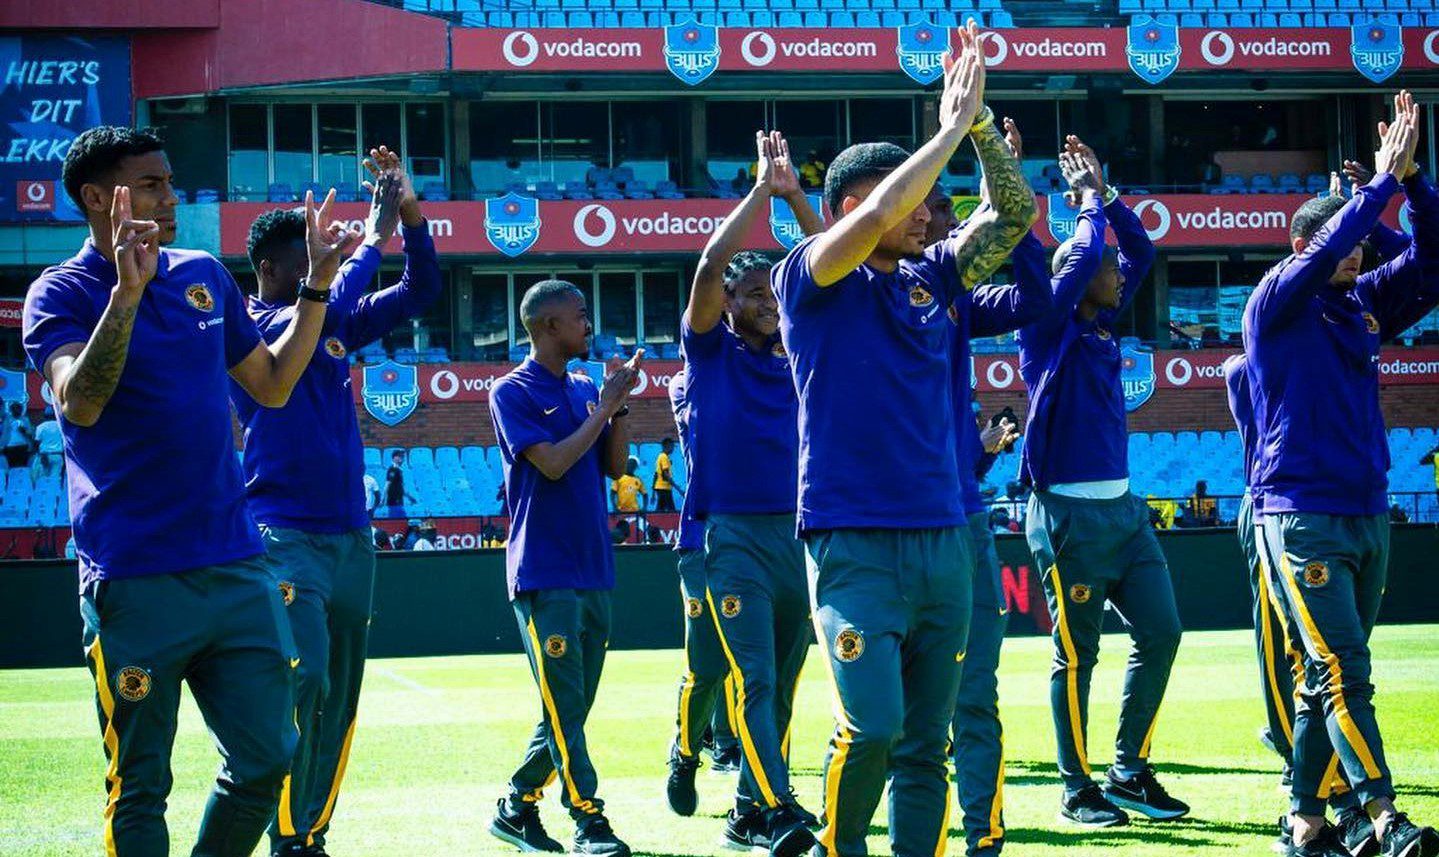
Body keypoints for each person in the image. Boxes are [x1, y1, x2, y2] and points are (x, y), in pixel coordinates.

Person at [23, 125, 356, 856]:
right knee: (140, 785)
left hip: (235, 565)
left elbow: (272, 384)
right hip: (135, 575)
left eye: (170, 182)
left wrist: (316, 287)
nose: (171, 198)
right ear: (96, 198)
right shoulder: (60, 292)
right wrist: (127, 293)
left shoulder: (202, 271)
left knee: (269, 755)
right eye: (151, 184)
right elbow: (80, 403)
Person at [772, 26, 1036, 857]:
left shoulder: (935, 277)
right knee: (874, 724)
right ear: (847, 209)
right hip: (852, 540)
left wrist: (979, 124)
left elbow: (1014, 214)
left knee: (927, 743)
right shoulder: (806, 277)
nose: (927, 211)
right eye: (914, 198)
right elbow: (888, 209)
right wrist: (947, 130)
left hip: (943, 539)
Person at [1243, 92, 1439, 857]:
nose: (1355, 254)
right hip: (1299, 513)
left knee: (1319, 680)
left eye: (1358, 243)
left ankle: (1305, 822)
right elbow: (1332, 248)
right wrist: (1376, 186)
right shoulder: (1274, 303)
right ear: (1301, 246)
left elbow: (1431, 261)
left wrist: (1412, 183)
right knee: (1343, 669)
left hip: (1365, 507)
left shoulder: (1360, 305)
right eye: (1340, 242)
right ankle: (1383, 816)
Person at [234, 144, 443, 857]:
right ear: (272, 269)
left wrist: (408, 215)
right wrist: (370, 238)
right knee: (306, 676)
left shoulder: (334, 322)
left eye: (323, 259)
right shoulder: (250, 327)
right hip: (283, 533)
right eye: (309, 259)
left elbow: (420, 290)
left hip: (352, 535)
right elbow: (322, 305)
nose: (320, 267)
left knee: (342, 694)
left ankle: (310, 831)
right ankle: (284, 830)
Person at [1016, 134, 1189, 828]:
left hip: (1123, 511)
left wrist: (1108, 196)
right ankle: (1074, 785)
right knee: (1075, 655)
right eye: (1105, 268)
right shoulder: (1045, 325)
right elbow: (1091, 253)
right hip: (1067, 515)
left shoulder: (1101, 327)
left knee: (1163, 631)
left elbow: (1140, 251)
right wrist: (1085, 202)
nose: (1119, 275)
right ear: (1076, 276)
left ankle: (1128, 769)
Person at [674, 129, 824, 855]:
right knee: (750, 676)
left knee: (783, 684)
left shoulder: (800, 354)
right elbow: (709, 263)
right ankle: (776, 805)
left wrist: (798, 200)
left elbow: (835, 273)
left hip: (799, 535)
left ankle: (745, 811)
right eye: (755, 293)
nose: (769, 303)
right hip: (730, 537)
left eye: (775, 293)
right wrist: (763, 193)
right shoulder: (708, 353)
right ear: (727, 301)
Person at [487, 280, 641, 857]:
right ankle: (588, 819)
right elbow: (551, 464)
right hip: (544, 569)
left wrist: (618, 407)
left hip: (593, 566)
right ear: (549, 326)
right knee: (565, 707)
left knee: (569, 707)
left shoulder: (581, 388)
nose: (588, 323)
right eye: (580, 315)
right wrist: (603, 408)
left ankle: (516, 805)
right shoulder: (511, 391)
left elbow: (616, 467)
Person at [941, 113, 1054, 857]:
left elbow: (1035, 301)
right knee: (897, 714)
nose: (929, 222)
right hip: (896, 526)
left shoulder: (956, 305)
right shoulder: (858, 297)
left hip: (966, 520)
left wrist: (1014, 214)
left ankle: (984, 835)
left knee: (977, 692)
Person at [1225, 353, 1376, 856]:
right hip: (1273, 509)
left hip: (1314, 505)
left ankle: (1325, 788)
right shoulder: (1253, 364)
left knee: (1325, 662)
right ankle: (1321, 791)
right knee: (1289, 656)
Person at [664, 365, 742, 820]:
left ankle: (761, 799)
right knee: (708, 667)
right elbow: (710, 435)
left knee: (767, 675)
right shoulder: (687, 381)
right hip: (706, 541)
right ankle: (687, 751)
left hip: (770, 540)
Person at [32, 406, 63, 479]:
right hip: (57, 455)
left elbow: (36, 442)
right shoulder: (61, 426)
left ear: (45, 416)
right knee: (55, 479)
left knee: (43, 479)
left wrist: (39, 454)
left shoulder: (41, 427)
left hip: (44, 455)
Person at [3, 400, 33, 468]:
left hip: (23, 446)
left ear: (21, 410)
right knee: (12, 468)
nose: (16, 410)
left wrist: (24, 431)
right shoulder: (7, 420)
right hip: (10, 447)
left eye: (18, 408)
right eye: (14, 409)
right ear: (11, 410)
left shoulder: (25, 420)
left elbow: (30, 434)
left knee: (23, 468)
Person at [384, 451, 414, 518]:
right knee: (396, 519)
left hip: (399, 498)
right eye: (400, 456)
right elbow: (388, 484)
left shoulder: (399, 470)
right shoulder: (393, 469)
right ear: (394, 458)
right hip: (394, 499)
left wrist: (409, 497)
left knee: (400, 518)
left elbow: (400, 487)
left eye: (403, 457)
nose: (402, 458)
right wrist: (383, 499)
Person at [653, 437, 679, 512]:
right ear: (667, 446)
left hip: (662, 487)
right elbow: (666, 474)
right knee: (671, 510)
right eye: (672, 446)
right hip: (664, 488)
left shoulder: (661, 456)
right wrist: (678, 489)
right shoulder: (664, 457)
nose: (673, 449)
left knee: (661, 509)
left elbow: (656, 474)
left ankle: (656, 518)